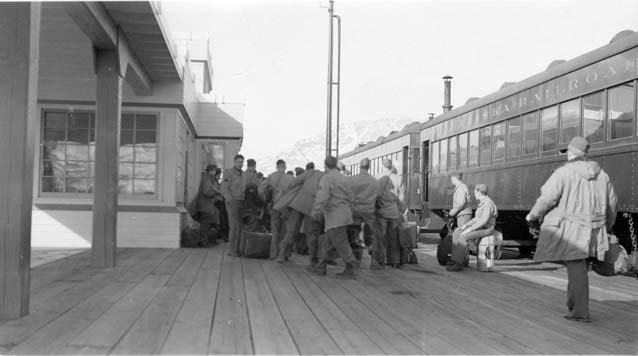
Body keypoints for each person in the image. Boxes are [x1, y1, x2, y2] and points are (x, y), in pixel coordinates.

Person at [526, 136, 617, 322]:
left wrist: (532, 216)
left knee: (576, 266)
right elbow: (613, 203)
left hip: (573, 228)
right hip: (595, 228)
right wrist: (607, 225)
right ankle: (572, 303)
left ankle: (581, 311)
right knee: (578, 266)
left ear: (570, 152)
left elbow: (547, 198)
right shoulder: (602, 174)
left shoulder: (564, 172)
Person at [310, 156, 358, 279]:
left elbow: (322, 197)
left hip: (334, 215)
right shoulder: (344, 178)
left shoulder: (326, 178)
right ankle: (322, 265)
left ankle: (351, 267)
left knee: (340, 242)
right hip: (344, 214)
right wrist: (350, 210)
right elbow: (352, 197)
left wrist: (315, 211)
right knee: (328, 241)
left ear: (325, 165)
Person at [277, 162, 324, 264]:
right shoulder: (326, 176)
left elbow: (294, 182)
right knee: (311, 233)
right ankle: (312, 260)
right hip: (313, 207)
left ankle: (282, 255)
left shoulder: (310, 173)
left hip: (298, 204)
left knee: (291, 230)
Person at [446, 184, 498, 272]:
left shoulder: (488, 203)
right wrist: (464, 226)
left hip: (486, 229)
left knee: (463, 237)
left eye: (475, 193)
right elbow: (477, 218)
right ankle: (455, 259)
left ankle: (459, 264)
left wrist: (470, 229)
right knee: (457, 233)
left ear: (478, 192)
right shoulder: (483, 202)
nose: (474, 195)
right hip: (480, 227)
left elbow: (483, 221)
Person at [350, 158, 381, 269]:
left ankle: (356, 261)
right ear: (369, 167)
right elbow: (378, 198)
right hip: (369, 211)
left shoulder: (353, 180)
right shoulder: (375, 182)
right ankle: (374, 262)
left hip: (355, 211)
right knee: (373, 236)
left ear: (360, 166)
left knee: (356, 235)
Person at [259, 159, 294, 258]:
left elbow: (261, 189)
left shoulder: (271, 177)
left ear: (277, 166)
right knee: (285, 231)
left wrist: (265, 199)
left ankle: (273, 254)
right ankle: (284, 254)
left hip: (274, 206)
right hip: (286, 207)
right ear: (285, 166)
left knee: (275, 230)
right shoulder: (291, 178)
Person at [376, 171, 406, 268]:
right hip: (394, 216)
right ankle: (395, 261)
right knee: (394, 239)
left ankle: (381, 261)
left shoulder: (379, 194)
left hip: (382, 216)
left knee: (381, 239)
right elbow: (401, 205)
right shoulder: (393, 195)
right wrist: (402, 212)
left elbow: (376, 203)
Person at [222, 154, 246, 257]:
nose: (240, 164)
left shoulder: (244, 174)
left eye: (242, 162)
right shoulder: (229, 173)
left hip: (242, 202)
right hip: (232, 201)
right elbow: (224, 187)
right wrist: (229, 199)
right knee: (234, 226)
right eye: (238, 162)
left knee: (240, 226)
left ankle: (238, 249)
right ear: (234, 162)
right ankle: (232, 250)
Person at [197, 164, 222, 247]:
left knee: (206, 224)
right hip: (206, 205)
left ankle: (205, 241)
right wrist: (215, 193)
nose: (215, 172)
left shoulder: (207, 178)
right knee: (205, 224)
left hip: (206, 205)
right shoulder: (207, 179)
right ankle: (203, 242)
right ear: (211, 170)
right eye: (214, 170)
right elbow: (206, 192)